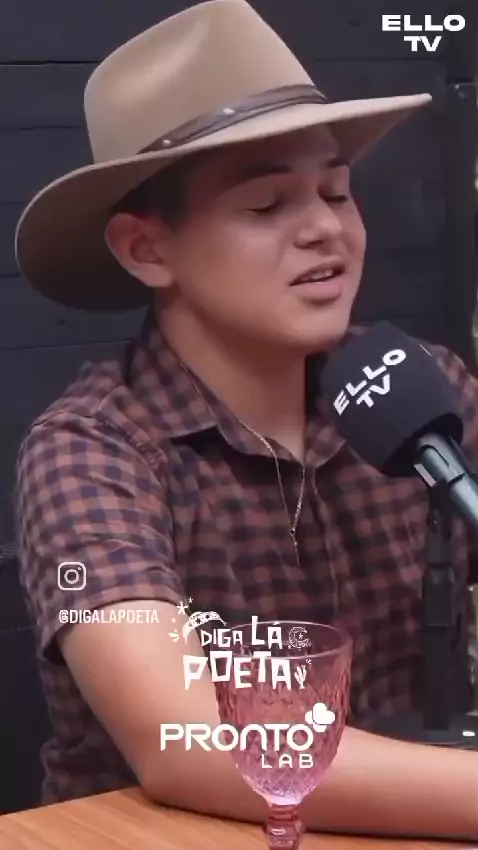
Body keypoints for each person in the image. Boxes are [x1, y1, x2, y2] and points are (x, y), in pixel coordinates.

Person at [13, 0, 478, 840]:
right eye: (267, 207)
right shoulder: (90, 450)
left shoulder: (424, 388)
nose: (325, 229)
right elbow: (185, 740)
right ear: (147, 248)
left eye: (337, 192)